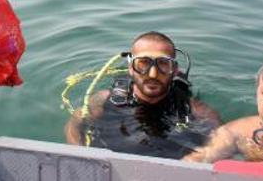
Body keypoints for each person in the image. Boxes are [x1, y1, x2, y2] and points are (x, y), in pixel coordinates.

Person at [65, 31, 221, 159]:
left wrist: (198, 158)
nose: (153, 74)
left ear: (173, 69)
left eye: (162, 63)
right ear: (131, 68)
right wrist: (83, 156)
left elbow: (222, 140)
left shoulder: (195, 110)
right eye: (143, 63)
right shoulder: (103, 100)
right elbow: (73, 126)